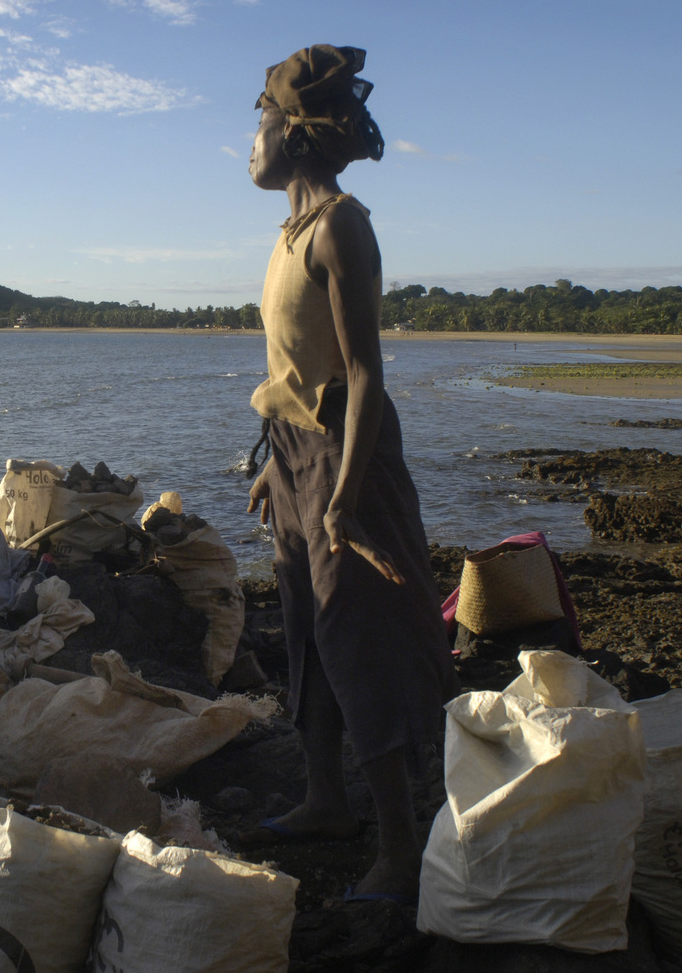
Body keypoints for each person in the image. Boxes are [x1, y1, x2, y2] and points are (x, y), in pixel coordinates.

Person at [242, 44, 459, 903]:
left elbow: (365, 373)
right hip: (295, 455)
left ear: (293, 134)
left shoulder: (340, 225)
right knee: (307, 631)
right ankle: (326, 800)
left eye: (259, 125)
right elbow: (293, 364)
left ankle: (402, 853)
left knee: (362, 637)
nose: (250, 144)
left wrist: (340, 498)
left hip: (347, 458)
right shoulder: (287, 232)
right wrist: (275, 467)